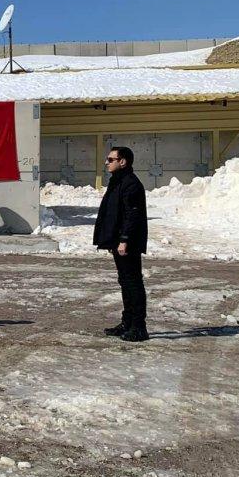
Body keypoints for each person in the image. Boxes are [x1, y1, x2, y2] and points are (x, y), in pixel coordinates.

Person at [93, 146, 149, 342]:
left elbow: (133, 215)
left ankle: (139, 327)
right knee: (125, 282)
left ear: (122, 161)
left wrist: (124, 240)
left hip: (128, 242)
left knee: (133, 283)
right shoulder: (118, 182)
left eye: (111, 159)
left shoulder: (131, 184)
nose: (107, 163)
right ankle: (127, 322)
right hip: (118, 241)